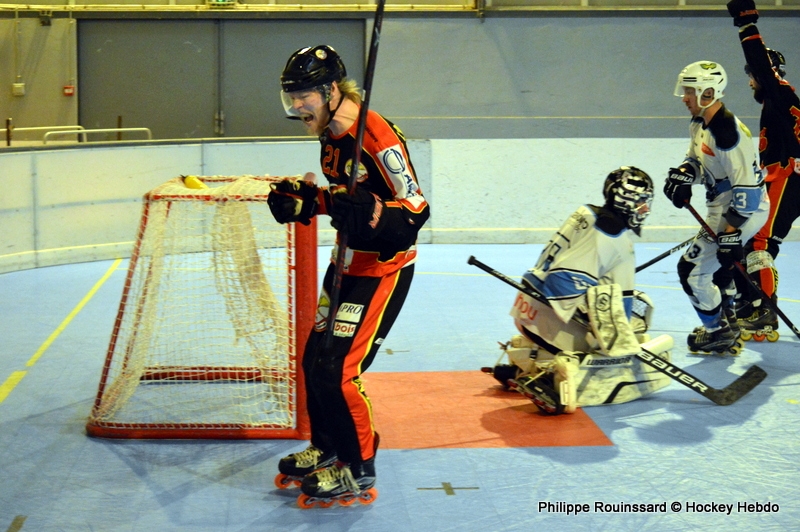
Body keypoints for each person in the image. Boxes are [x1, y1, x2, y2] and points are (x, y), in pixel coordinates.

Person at [267, 45, 430, 505]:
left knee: (338, 371)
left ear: (331, 90)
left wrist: (376, 212)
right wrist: (308, 200)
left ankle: (358, 467)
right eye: (291, 98)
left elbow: (416, 209)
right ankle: (326, 447)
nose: (298, 107)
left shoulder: (375, 136)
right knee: (313, 358)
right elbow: (345, 200)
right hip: (344, 262)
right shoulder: (330, 132)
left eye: (304, 97)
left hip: (381, 270)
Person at [485, 167, 675, 415]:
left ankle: (522, 361)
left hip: (525, 310)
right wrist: (614, 336)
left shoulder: (585, 213)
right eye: (642, 201)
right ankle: (555, 378)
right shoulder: (617, 241)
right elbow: (572, 286)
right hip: (550, 326)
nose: (645, 209)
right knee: (633, 323)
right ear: (625, 198)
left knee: (605, 308)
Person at [663, 61, 769, 354]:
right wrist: (684, 175)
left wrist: (732, 232)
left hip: (742, 211)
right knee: (718, 267)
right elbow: (697, 162)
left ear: (707, 92)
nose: (684, 97)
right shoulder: (699, 122)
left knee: (691, 271)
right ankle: (729, 321)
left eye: (689, 91)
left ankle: (718, 331)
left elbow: (747, 189)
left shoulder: (727, 133)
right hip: (721, 208)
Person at [727, 0, 800, 341]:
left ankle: (764, 312)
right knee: (762, 246)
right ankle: (757, 307)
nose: (750, 83)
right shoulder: (781, 100)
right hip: (788, 177)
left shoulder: (778, 91)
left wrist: (746, 23)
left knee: (759, 242)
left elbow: (759, 62)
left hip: (789, 177)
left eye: (753, 77)